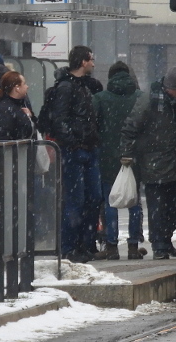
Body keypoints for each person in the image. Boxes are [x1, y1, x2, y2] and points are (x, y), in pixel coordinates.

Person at [120, 67, 176, 260]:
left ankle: (165, 239)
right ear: (168, 87)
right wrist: (127, 154)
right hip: (154, 165)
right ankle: (160, 246)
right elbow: (131, 127)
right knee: (158, 209)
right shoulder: (149, 102)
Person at [51, 45, 103, 264]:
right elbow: (59, 120)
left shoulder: (81, 86)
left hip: (87, 149)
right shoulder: (67, 87)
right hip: (76, 151)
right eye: (91, 59)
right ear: (83, 62)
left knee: (93, 197)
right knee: (76, 200)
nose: (93, 63)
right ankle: (70, 247)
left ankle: (83, 244)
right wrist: (73, 143)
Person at [93, 61, 148, 261]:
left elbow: (93, 126)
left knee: (111, 202)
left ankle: (111, 246)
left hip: (108, 157)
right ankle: (133, 246)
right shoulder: (141, 98)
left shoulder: (100, 99)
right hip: (134, 156)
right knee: (134, 201)